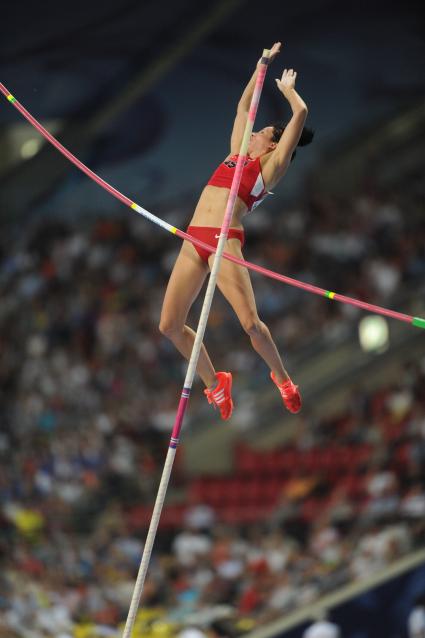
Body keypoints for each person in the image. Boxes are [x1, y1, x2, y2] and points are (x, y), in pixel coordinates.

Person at [159, 41, 313, 421]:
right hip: (193, 236)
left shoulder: (270, 167)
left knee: (250, 325)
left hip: (223, 240)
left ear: (272, 144)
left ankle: (283, 378)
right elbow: (244, 106)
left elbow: (302, 114)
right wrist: (260, 66)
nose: (253, 132)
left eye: (260, 133)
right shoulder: (235, 152)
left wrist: (290, 95)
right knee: (169, 325)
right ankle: (216, 383)